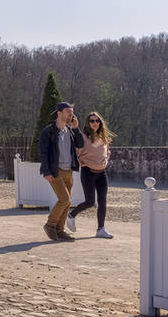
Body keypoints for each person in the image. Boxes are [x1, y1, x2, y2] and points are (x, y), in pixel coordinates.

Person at [38, 101, 84, 241]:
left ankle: (59, 230)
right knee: (64, 199)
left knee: (67, 202)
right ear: (59, 113)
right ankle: (50, 225)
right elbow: (43, 152)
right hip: (55, 170)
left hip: (68, 170)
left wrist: (76, 128)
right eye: (68, 112)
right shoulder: (48, 131)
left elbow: (81, 144)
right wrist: (46, 171)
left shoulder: (70, 131)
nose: (71, 114)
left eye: (72, 112)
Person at [67, 111, 115, 239]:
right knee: (89, 202)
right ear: (88, 123)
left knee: (103, 201)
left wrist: (105, 161)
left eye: (97, 121)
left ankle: (101, 229)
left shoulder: (103, 138)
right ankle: (71, 215)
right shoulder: (82, 137)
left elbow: (107, 152)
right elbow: (76, 149)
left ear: (100, 122)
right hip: (88, 172)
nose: (95, 123)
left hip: (102, 173)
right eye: (92, 121)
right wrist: (74, 126)